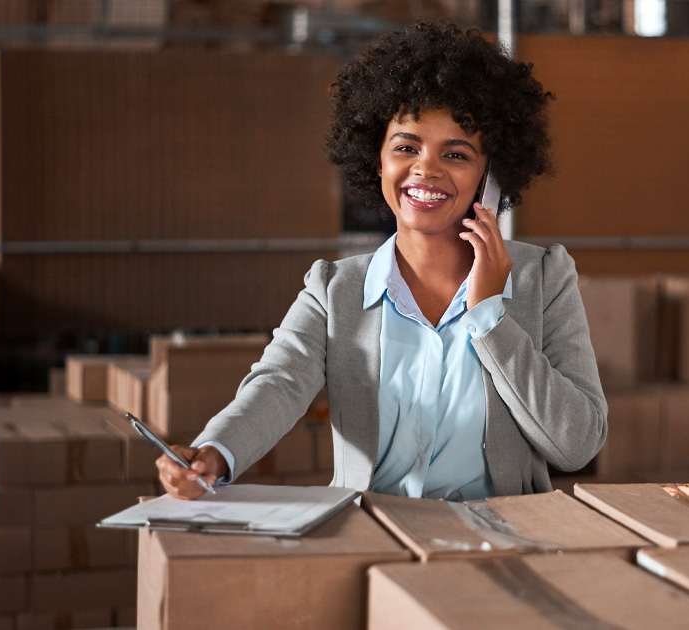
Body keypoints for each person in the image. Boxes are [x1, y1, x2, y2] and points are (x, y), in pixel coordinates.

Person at [157, 20, 607, 501]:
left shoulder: (543, 278)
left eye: (455, 154)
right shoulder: (335, 290)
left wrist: (491, 315)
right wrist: (215, 452)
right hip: (370, 535)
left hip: (499, 541)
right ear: (377, 159)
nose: (425, 169)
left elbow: (576, 445)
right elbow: (279, 384)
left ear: (490, 175)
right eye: (406, 147)